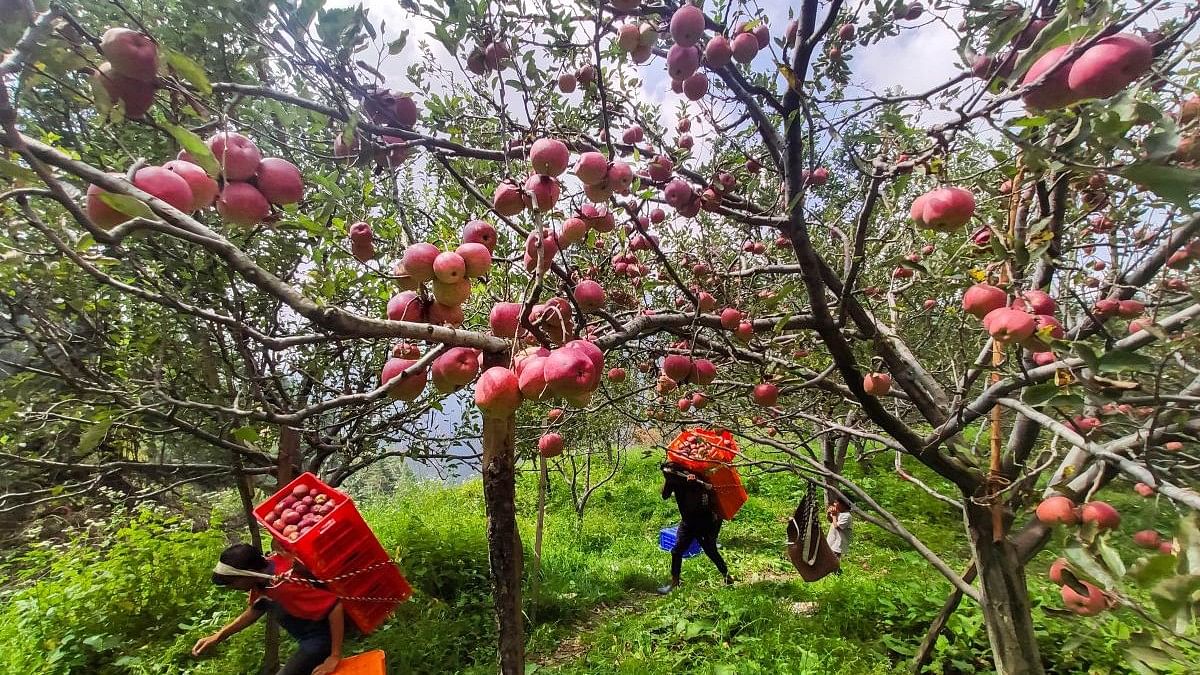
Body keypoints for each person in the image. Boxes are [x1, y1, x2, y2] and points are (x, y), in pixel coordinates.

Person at [192, 543, 344, 675]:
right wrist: (218, 636)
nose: (231, 588)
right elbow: (257, 608)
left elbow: (334, 605)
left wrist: (334, 656)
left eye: (232, 583)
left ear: (248, 573)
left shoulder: (284, 585)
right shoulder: (262, 578)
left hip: (319, 638)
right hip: (305, 636)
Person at [658, 461, 732, 594]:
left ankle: (727, 576)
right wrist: (667, 480)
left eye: (669, 474)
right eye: (665, 473)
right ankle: (674, 583)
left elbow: (705, 495)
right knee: (676, 551)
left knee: (711, 551)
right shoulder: (673, 480)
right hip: (687, 522)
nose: (667, 475)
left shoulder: (695, 478)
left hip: (704, 522)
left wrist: (693, 483)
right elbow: (664, 496)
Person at [826, 496, 853, 561]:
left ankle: (836, 569)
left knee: (835, 557)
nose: (834, 504)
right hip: (833, 538)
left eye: (836, 502)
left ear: (843, 505)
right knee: (829, 556)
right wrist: (829, 513)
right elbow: (831, 520)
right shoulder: (839, 513)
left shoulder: (847, 516)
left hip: (839, 541)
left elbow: (836, 526)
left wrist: (834, 515)